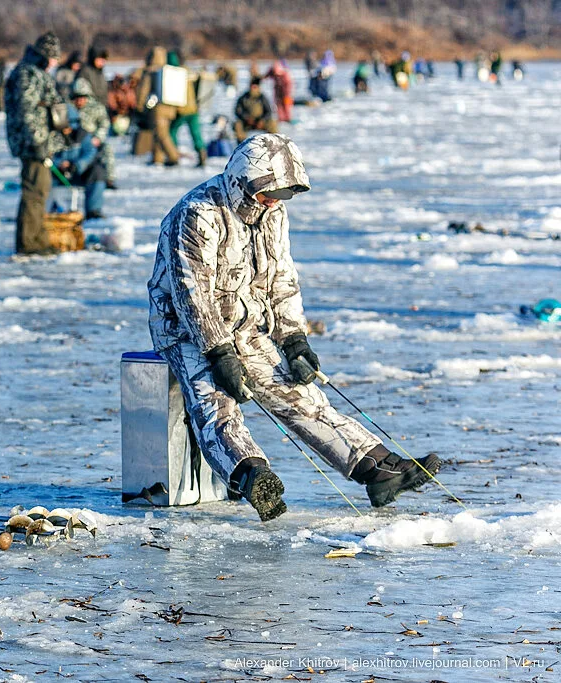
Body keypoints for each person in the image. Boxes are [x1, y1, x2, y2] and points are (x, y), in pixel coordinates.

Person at [147, 134, 442, 521]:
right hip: (186, 331)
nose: (276, 201)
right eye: (270, 193)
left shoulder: (272, 216)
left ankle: (377, 468)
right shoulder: (198, 214)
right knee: (216, 402)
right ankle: (253, 476)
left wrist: (294, 341)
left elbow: (281, 279)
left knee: (298, 395)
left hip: (243, 324)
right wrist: (218, 353)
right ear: (244, 181)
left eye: (283, 195)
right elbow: (192, 295)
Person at [5, 32, 71, 254]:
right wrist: (37, 142)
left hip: (39, 142)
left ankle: (37, 238)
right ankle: (29, 242)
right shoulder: (27, 74)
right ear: (44, 56)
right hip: (32, 144)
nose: (54, 64)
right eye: (52, 59)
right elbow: (27, 112)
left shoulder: (33, 72)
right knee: (34, 192)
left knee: (40, 191)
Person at [53, 79, 110, 218]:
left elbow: (90, 151)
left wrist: (76, 165)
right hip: (57, 173)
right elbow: (48, 155)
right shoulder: (53, 136)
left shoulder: (83, 134)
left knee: (98, 171)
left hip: (77, 171)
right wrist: (58, 163)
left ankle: (93, 209)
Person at [135, 46, 180, 166]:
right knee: (159, 132)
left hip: (158, 109)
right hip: (171, 107)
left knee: (162, 134)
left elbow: (144, 90)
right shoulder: (169, 71)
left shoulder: (151, 71)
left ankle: (173, 156)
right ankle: (157, 158)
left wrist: (139, 106)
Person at [168, 50, 208, 168]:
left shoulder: (173, 73)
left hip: (182, 109)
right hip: (193, 108)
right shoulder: (187, 70)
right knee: (196, 133)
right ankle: (202, 155)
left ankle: (173, 155)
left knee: (172, 132)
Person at [233, 77, 278, 142]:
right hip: (247, 122)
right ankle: (241, 144)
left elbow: (268, 111)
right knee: (237, 124)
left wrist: (262, 120)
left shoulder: (262, 97)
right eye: (252, 86)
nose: (253, 88)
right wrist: (246, 118)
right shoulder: (243, 97)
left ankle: (274, 143)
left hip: (260, 122)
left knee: (272, 123)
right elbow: (238, 111)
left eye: (255, 86)